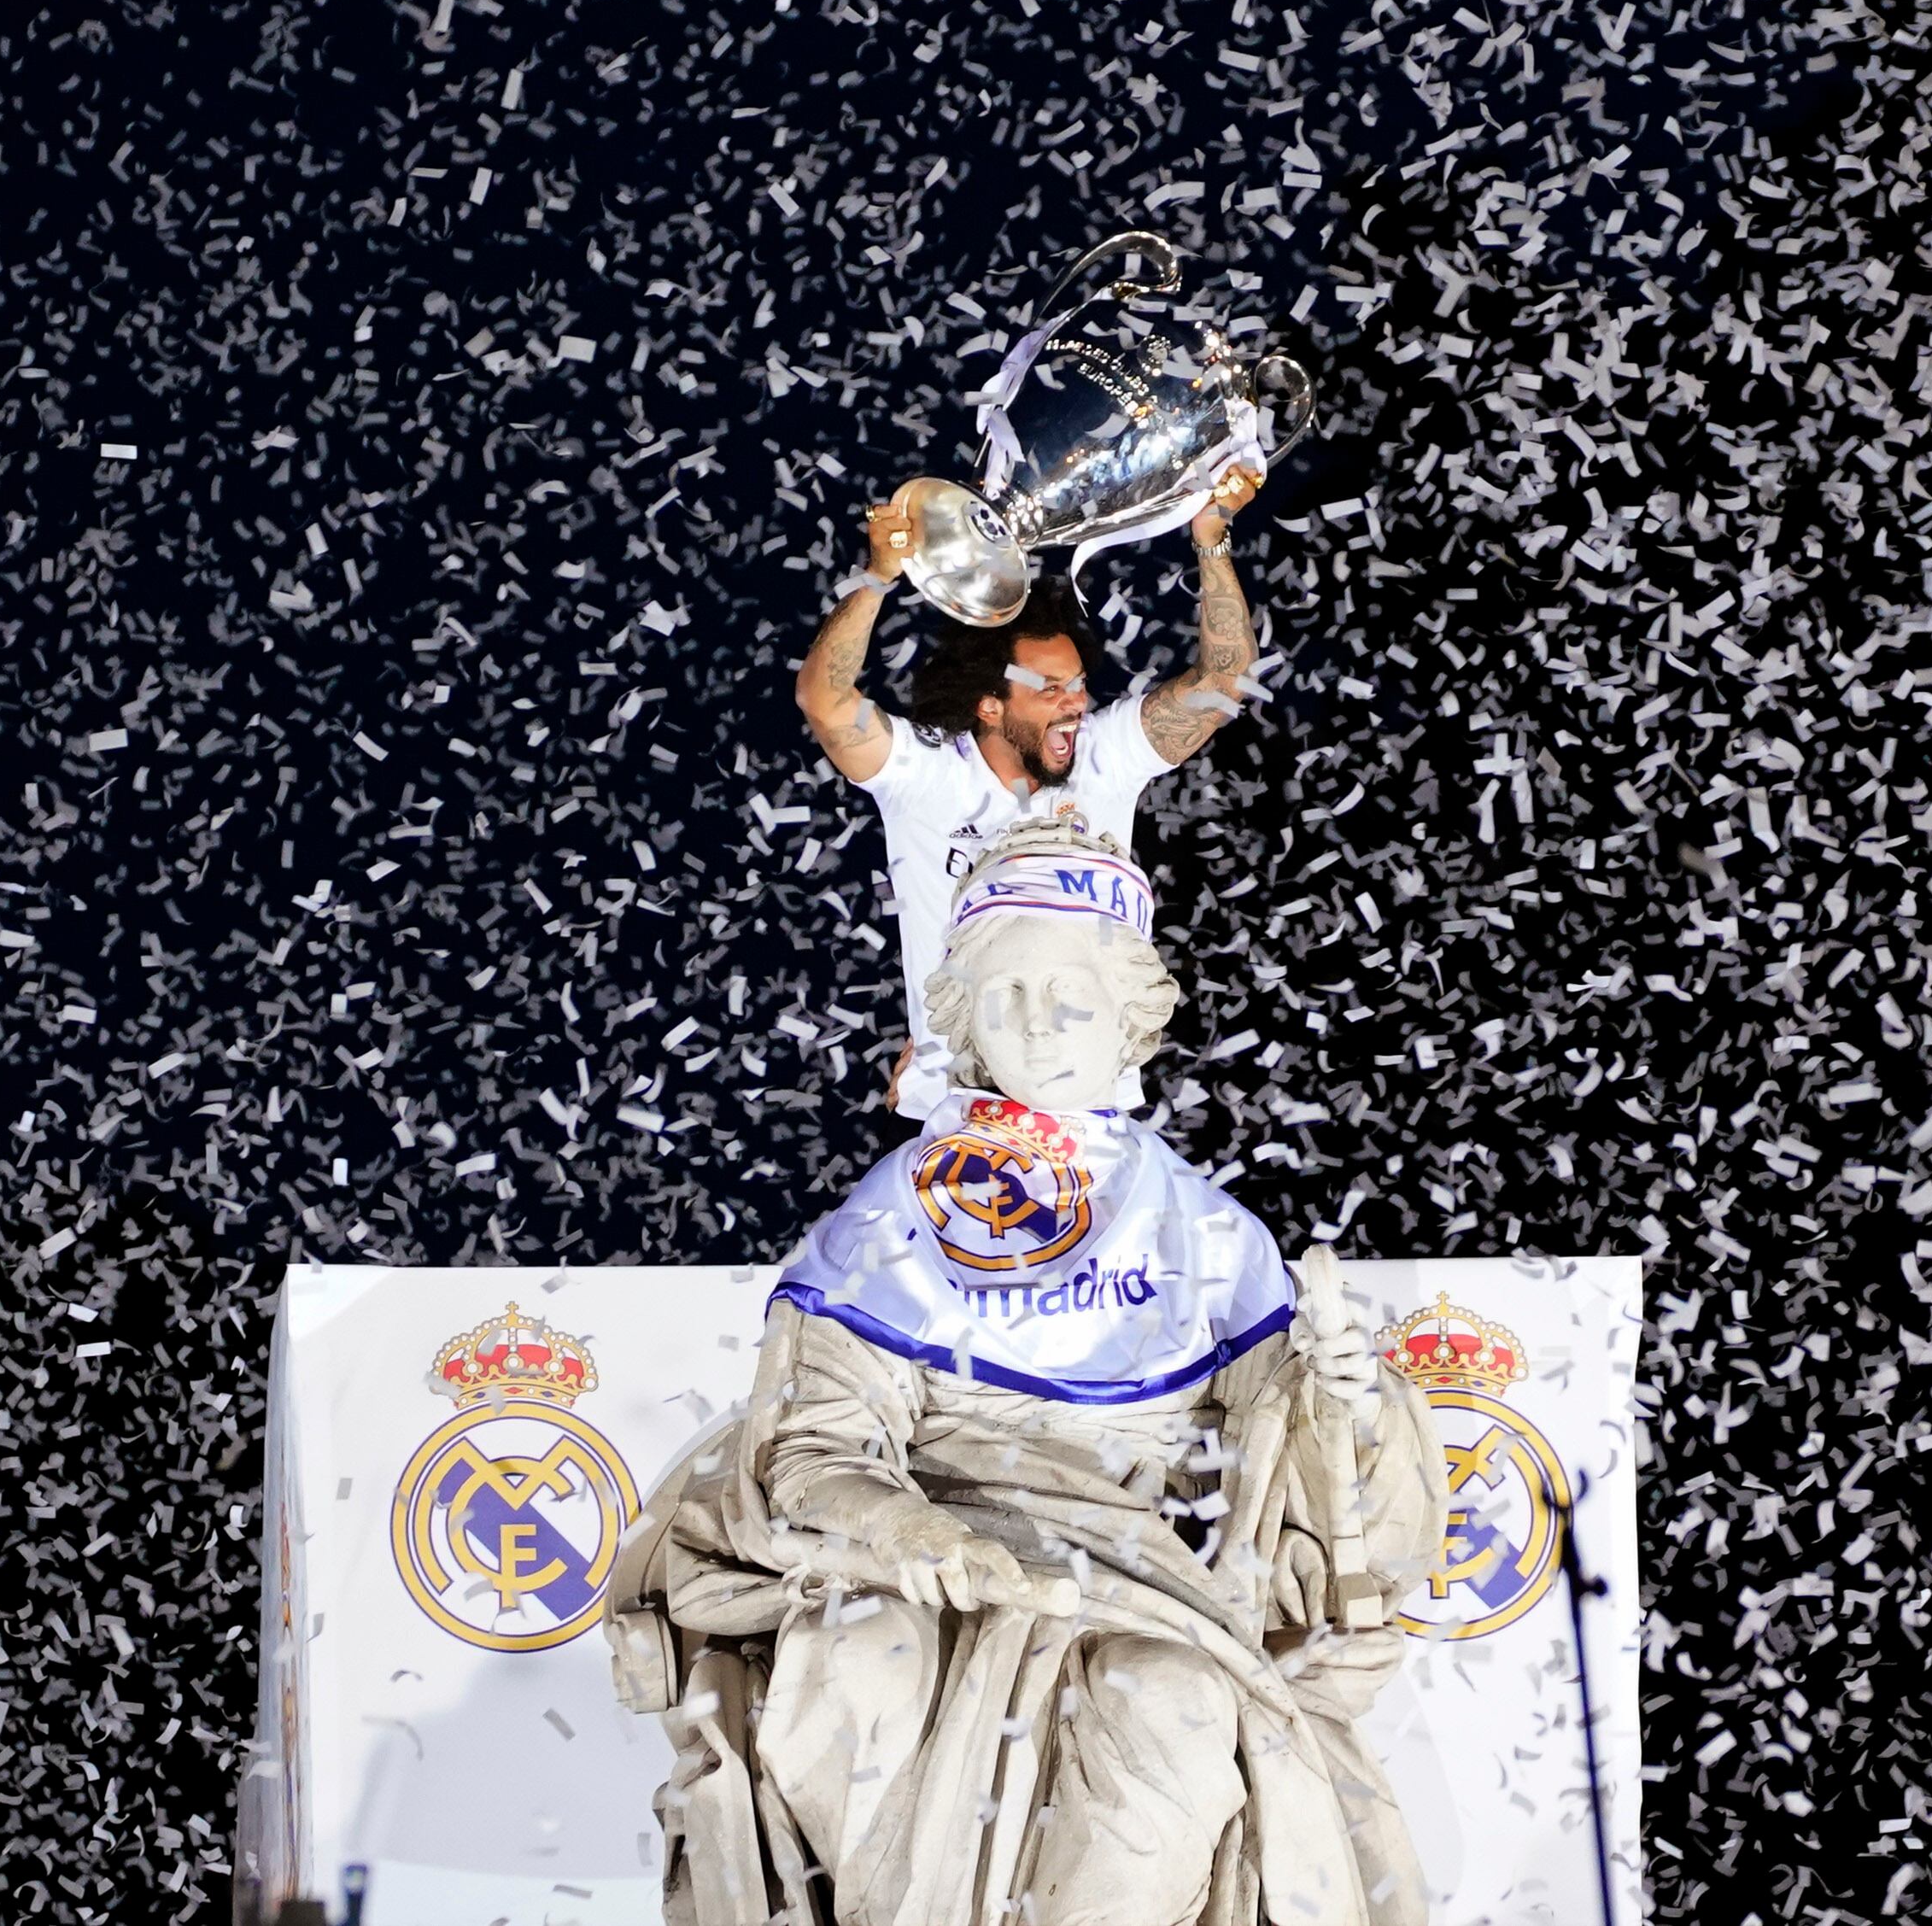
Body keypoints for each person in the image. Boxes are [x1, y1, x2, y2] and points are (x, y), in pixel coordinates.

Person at [606, 822, 1443, 1926]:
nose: (1039, 1022)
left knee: (1174, 1701)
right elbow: (813, 1447)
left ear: (1130, 1015)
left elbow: (1300, 1490)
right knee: (858, 1663)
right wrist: (911, 1532)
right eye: (1005, 996)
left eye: (1070, 996)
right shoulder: (893, 1217)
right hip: (930, 1569)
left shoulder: (1207, 1236)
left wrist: (1349, 1398)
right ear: (964, 1023)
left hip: (1143, 1583)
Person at [794, 465, 1263, 1119]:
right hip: (959, 1110)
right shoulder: (927, 773)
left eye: (1077, 685)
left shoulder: (1105, 754)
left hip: (1091, 1110)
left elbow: (1226, 679)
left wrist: (1210, 536)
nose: (1074, 704)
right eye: (1050, 690)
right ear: (990, 705)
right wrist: (878, 578)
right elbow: (824, 700)